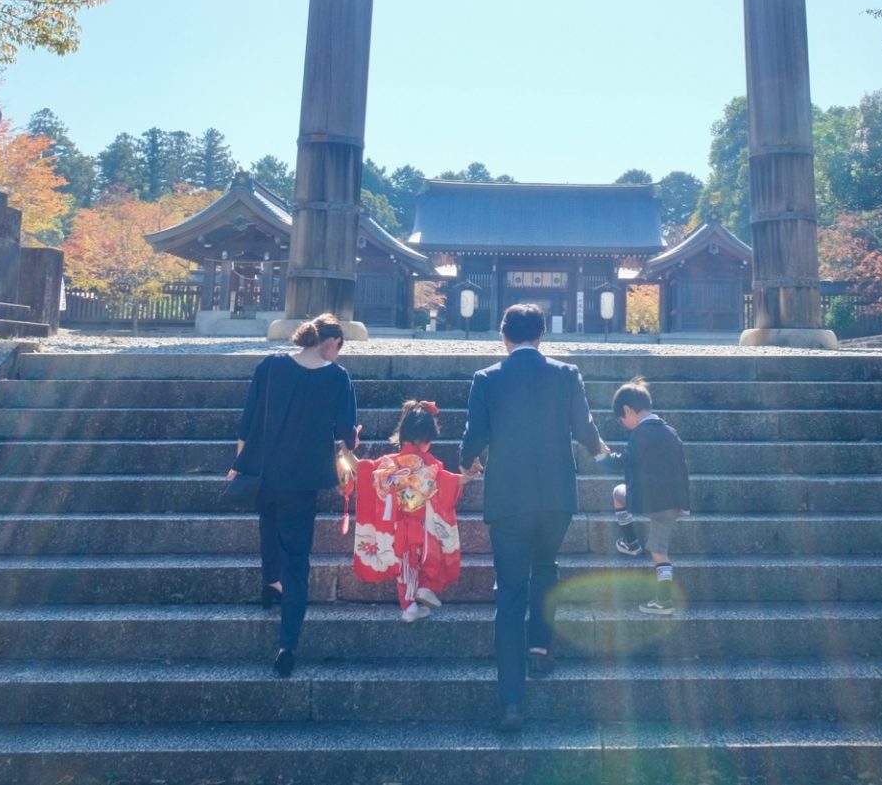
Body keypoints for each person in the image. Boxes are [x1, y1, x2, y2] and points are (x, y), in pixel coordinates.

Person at [459, 302, 611, 733]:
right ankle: (541, 648)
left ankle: (511, 702)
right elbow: (583, 428)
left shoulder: (487, 378)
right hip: (556, 496)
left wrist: (467, 462)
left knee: (509, 594)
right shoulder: (566, 374)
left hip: (508, 498)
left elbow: (475, 436)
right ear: (542, 336)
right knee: (546, 567)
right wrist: (602, 452)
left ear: (503, 336)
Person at [228, 312, 357, 677]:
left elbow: (248, 420)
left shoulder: (270, 366)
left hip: (263, 472)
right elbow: (346, 434)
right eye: (338, 349)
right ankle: (288, 643)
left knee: (268, 531)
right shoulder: (337, 377)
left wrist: (240, 463)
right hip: (302, 480)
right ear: (331, 344)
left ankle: (271, 585)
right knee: (297, 558)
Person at [350, 400, 464, 622]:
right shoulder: (431, 465)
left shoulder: (388, 463)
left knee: (405, 564)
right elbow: (448, 484)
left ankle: (409, 605)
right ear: (426, 439)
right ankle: (425, 587)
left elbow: (364, 470)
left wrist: (347, 452)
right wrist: (466, 477)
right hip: (424, 527)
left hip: (396, 527)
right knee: (431, 553)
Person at [608, 378, 691, 616]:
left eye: (622, 421)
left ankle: (630, 542)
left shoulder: (640, 434)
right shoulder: (671, 432)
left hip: (648, 501)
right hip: (672, 504)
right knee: (659, 551)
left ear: (627, 410)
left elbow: (626, 460)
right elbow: (682, 469)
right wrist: (684, 505)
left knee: (618, 493)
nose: (625, 425)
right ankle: (664, 601)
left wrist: (604, 457)